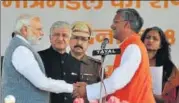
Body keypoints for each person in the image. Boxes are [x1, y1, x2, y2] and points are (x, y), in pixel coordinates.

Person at [73, 8, 155, 103]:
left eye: (115, 22)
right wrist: (89, 88)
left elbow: (117, 81)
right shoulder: (128, 46)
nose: (112, 26)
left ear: (126, 25)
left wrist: (88, 90)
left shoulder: (133, 47)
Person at [1, 14, 75, 103]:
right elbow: (42, 83)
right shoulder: (21, 50)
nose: (42, 33)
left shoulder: (20, 46)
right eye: (38, 29)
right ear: (24, 30)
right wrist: (72, 88)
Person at [38, 21, 81, 103]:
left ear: (69, 39)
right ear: (50, 38)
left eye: (64, 35)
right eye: (56, 35)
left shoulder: (76, 62)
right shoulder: (39, 57)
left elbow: (77, 91)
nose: (60, 39)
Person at [141, 26, 179, 103]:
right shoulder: (134, 61)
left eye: (155, 39)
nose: (150, 40)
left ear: (160, 45)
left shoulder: (169, 67)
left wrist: (153, 96)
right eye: (148, 37)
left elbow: (173, 98)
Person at [69, 21, 101, 103]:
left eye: (83, 39)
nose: (79, 43)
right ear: (69, 39)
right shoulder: (58, 63)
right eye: (76, 37)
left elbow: (104, 94)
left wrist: (89, 90)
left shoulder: (97, 66)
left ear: (89, 42)